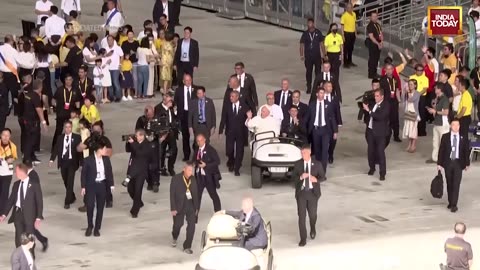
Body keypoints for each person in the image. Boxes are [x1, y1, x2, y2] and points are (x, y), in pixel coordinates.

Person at [0, 164, 44, 249]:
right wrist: (4, 214)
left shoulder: (34, 184)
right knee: (18, 237)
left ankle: (30, 257)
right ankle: (20, 256)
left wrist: (38, 217)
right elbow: (11, 200)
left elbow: (39, 201)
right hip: (18, 214)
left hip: (30, 214)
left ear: (21, 172)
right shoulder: (16, 184)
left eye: (16, 171)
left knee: (29, 237)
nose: (15, 173)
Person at [81, 137, 114, 237]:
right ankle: (90, 226)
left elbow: (109, 173)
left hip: (102, 185)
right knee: (90, 206)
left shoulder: (106, 159)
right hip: (91, 185)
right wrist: (83, 187)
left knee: (100, 207)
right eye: (104, 149)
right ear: (99, 149)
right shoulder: (88, 160)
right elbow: (83, 174)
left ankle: (97, 228)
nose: (106, 151)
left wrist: (111, 185)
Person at [292, 145, 323, 246]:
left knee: (312, 215)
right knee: (301, 216)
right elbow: (293, 179)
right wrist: (301, 177)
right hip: (301, 193)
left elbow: (323, 177)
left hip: (313, 193)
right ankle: (303, 238)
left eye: (304, 153)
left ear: (309, 152)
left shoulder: (317, 164)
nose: (303, 155)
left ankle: (313, 228)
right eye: (301, 153)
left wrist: (316, 180)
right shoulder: (298, 164)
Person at [437, 119, 470, 213]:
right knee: (449, 183)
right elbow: (441, 150)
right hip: (448, 162)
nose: (456, 127)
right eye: (454, 125)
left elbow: (466, 151)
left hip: (458, 163)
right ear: (450, 126)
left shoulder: (463, 137)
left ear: (459, 126)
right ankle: (450, 201)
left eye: (457, 125)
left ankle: (454, 204)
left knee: (456, 184)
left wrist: (467, 163)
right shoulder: (445, 137)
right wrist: (439, 163)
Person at [304, 87, 338, 174]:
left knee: (324, 151)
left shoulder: (328, 104)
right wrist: (304, 129)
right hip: (315, 130)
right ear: (317, 94)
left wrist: (335, 131)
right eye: (321, 93)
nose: (322, 95)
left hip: (325, 130)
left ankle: (323, 172)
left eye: (323, 93)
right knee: (317, 151)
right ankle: (317, 171)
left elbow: (333, 118)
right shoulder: (312, 104)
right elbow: (307, 118)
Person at [49, 120, 81, 209]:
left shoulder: (77, 137)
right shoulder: (60, 138)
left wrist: (82, 163)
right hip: (63, 162)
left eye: (69, 127)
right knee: (65, 180)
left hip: (72, 162)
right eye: (66, 127)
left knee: (70, 181)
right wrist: (52, 159)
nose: (67, 129)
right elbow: (56, 149)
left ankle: (67, 201)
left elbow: (80, 152)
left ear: (72, 127)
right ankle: (72, 196)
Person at [170, 162, 199, 254]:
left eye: (192, 170)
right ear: (184, 169)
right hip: (179, 206)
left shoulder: (193, 179)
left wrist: (197, 207)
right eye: (189, 170)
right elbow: (172, 194)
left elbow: (195, 194)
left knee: (192, 226)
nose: (191, 172)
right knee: (178, 225)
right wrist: (173, 208)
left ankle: (187, 246)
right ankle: (175, 236)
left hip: (190, 205)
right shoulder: (176, 178)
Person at [219, 91, 249, 176]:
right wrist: (220, 131)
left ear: (237, 97)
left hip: (241, 132)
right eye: (230, 96)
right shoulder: (227, 106)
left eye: (232, 96)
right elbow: (223, 118)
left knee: (240, 151)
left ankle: (237, 168)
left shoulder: (244, 105)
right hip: (230, 132)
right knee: (229, 150)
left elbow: (249, 118)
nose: (230, 98)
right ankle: (231, 162)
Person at [363, 89, 390, 181]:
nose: (375, 97)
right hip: (371, 130)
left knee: (380, 152)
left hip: (380, 133)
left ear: (382, 96)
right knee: (370, 151)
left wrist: (369, 111)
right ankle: (372, 167)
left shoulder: (386, 105)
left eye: (377, 96)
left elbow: (380, 116)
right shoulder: (373, 104)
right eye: (375, 96)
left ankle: (382, 173)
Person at [125, 129, 153, 218]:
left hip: (141, 171)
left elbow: (139, 153)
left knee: (138, 190)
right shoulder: (135, 143)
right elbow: (128, 150)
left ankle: (135, 211)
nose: (135, 137)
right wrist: (128, 142)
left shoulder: (147, 145)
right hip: (132, 170)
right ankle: (139, 202)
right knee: (130, 189)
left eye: (137, 135)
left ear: (142, 136)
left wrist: (133, 143)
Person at [192, 133, 221, 213]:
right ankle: (194, 216)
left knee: (213, 195)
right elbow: (194, 159)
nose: (199, 143)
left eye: (201, 140)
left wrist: (206, 165)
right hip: (199, 177)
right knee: (197, 196)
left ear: (204, 140)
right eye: (197, 141)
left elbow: (217, 161)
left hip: (209, 177)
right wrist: (194, 163)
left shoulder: (211, 150)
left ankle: (218, 212)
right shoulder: (197, 150)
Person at [52, 74, 81, 149]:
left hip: (71, 114)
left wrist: (78, 112)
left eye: (70, 80)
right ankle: (55, 147)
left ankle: (71, 146)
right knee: (59, 130)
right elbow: (53, 99)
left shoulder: (75, 90)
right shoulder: (60, 89)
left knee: (72, 129)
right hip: (61, 113)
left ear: (72, 81)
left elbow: (78, 102)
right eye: (67, 80)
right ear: (64, 81)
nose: (68, 81)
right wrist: (54, 106)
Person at [23, 80, 48, 164]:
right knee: (31, 140)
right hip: (33, 122)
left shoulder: (28, 95)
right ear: (40, 87)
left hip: (27, 120)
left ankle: (32, 156)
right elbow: (39, 110)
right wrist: (43, 122)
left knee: (29, 138)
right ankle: (27, 158)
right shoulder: (35, 96)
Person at [155, 92, 179, 176]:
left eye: (171, 100)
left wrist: (175, 112)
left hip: (172, 133)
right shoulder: (158, 108)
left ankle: (171, 167)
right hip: (163, 134)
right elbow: (158, 121)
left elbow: (175, 118)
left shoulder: (172, 107)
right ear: (164, 100)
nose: (171, 102)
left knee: (174, 150)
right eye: (169, 101)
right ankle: (162, 168)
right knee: (161, 152)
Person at [426, 83, 451, 163]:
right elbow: (436, 109)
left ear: (440, 90)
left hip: (443, 124)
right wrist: (433, 107)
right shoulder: (438, 98)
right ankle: (435, 158)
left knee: (443, 142)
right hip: (436, 122)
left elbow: (446, 112)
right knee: (435, 142)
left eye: (436, 89)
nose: (435, 90)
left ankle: (444, 159)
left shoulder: (445, 99)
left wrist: (435, 111)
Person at [299, 18, 324, 94]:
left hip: (317, 56)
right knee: (308, 72)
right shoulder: (305, 34)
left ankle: (317, 86)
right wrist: (301, 55)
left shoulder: (318, 32)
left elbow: (322, 44)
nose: (309, 25)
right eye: (308, 23)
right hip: (308, 57)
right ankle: (309, 87)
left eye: (310, 23)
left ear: (313, 24)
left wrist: (324, 54)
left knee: (318, 72)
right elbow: (302, 44)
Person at [175, 74, 196, 161]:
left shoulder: (196, 89)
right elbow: (175, 103)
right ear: (183, 81)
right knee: (185, 136)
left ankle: (196, 154)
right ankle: (186, 155)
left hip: (194, 115)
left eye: (189, 80)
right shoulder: (179, 90)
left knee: (196, 135)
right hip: (184, 115)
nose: (188, 82)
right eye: (186, 80)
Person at [380, 63, 401, 142]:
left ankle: (396, 136)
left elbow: (397, 90)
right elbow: (380, 91)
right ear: (385, 70)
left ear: (393, 70)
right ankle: (386, 134)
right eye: (387, 69)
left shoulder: (395, 79)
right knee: (386, 119)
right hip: (386, 101)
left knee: (395, 118)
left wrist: (399, 100)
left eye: (390, 69)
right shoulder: (382, 80)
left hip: (394, 101)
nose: (389, 71)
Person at [323, 81, 342, 164]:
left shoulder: (335, 97)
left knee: (333, 140)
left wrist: (339, 122)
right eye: (328, 86)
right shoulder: (321, 96)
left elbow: (337, 110)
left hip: (332, 123)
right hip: (323, 122)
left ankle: (330, 154)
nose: (330, 88)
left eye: (331, 86)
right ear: (324, 87)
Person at [0, 128, 18, 213]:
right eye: (4, 135)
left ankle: (2, 211)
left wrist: (11, 160)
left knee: (5, 192)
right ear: (1, 135)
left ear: (10, 136)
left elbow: (15, 157)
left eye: (7, 135)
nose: (5, 137)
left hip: (7, 173)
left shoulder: (13, 146)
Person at [409, 64, 429, 137]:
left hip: (421, 97)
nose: (420, 72)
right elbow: (409, 86)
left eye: (421, 70)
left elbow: (425, 89)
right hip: (413, 96)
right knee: (413, 113)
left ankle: (421, 131)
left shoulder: (425, 78)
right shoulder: (411, 77)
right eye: (418, 70)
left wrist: (417, 95)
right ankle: (413, 130)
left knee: (421, 114)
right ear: (415, 70)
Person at [103, 35, 124, 102]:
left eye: (111, 40)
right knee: (110, 83)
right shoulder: (105, 48)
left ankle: (118, 96)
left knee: (115, 82)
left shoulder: (117, 48)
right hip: (108, 68)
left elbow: (122, 55)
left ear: (113, 40)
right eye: (108, 40)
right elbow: (103, 57)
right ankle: (111, 97)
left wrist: (120, 64)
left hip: (115, 68)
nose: (109, 41)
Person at [401, 79, 420, 153]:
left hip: (414, 113)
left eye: (411, 84)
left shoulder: (417, 93)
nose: (410, 86)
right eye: (409, 84)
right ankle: (409, 144)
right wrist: (403, 92)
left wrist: (408, 93)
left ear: (415, 85)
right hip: (407, 112)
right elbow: (403, 100)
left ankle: (413, 145)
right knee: (408, 129)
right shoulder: (407, 93)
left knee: (413, 129)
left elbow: (411, 100)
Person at [366, 11, 383, 79]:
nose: (375, 18)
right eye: (373, 16)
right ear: (370, 17)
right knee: (372, 59)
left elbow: (381, 34)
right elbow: (371, 37)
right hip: (373, 43)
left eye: (376, 16)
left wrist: (381, 41)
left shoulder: (378, 25)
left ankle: (375, 72)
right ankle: (371, 73)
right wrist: (378, 43)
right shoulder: (370, 25)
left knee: (376, 59)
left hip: (378, 43)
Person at [340, 3, 357, 68]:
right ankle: (345, 62)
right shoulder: (344, 15)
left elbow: (355, 24)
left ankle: (350, 61)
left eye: (351, 7)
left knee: (351, 48)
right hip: (346, 33)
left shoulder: (354, 14)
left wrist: (355, 32)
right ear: (346, 8)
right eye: (348, 7)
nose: (350, 9)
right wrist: (343, 35)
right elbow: (342, 26)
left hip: (352, 33)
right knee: (346, 48)